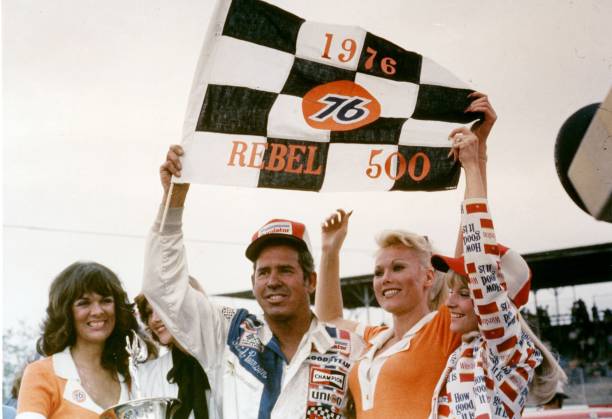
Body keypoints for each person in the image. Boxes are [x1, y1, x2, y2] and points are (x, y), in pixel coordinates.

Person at [141, 147, 364, 419]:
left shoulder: (348, 348)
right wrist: (173, 199)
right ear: (253, 281)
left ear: (310, 281)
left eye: (285, 270)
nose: (273, 281)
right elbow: (163, 288)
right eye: (263, 272)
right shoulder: (229, 333)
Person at [314, 93, 495, 418]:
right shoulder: (374, 338)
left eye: (398, 267)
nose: (385, 279)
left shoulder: (442, 328)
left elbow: (472, 246)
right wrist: (330, 252)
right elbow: (329, 323)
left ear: (428, 276)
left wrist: (475, 160)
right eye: (379, 272)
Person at [428, 127, 565, 418]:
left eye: (464, 293)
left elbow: (480, 261)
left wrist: (472, 166)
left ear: (501, 303)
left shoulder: (506, 347)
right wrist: (478, 158)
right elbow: (470, 244)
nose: (449, 302)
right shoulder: (469, 349)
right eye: (452, 291)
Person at [16, 261, 149, 418]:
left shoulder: (131, 376)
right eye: (84, 303)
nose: (97, 311)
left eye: (106, 300)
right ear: (66, 312)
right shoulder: (41, 373)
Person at [135, 292, 214, 419]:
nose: (154, 319)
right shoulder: (147, 375)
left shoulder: (223, 359)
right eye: (149, 313)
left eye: (161, 307)